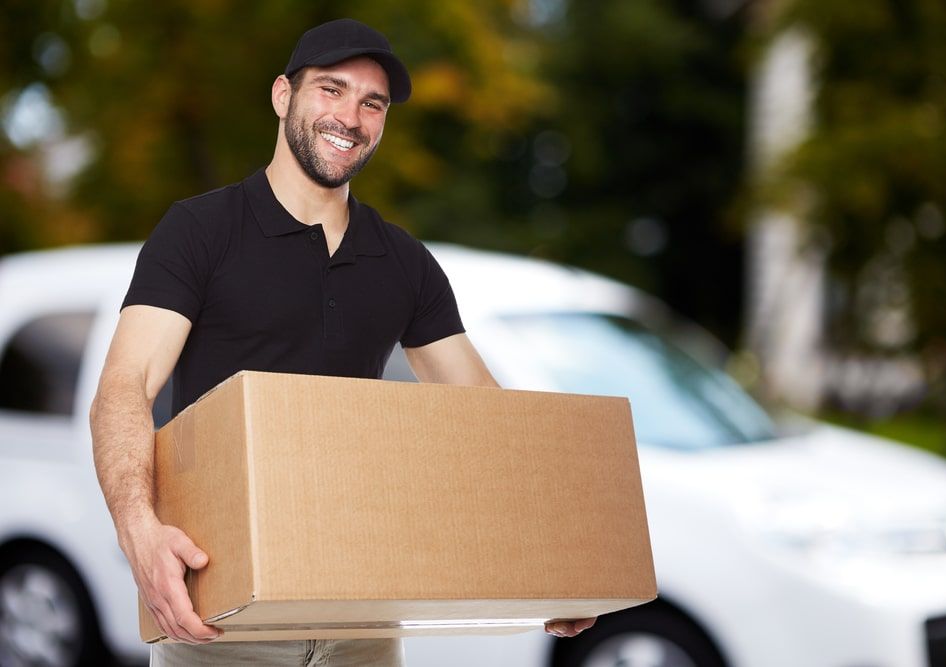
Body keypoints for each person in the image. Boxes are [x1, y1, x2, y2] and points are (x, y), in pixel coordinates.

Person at [90, 18, 595, 667]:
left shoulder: (404, 262)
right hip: (219, 617)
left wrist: (559, 561)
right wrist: (139, 532)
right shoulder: (198, 231)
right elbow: (123, 386)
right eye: (331, 89)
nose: (351, 117)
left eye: (372, 103)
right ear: (283, 96)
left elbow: (486, 419)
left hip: (363, 616)